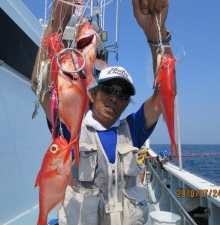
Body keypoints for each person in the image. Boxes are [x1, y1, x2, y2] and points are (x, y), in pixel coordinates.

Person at [31, 0, 174, 224]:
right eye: (108, 89)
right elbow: (39, 88)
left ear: (127, 104)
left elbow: (165, 96)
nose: (114, 97)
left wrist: (157, 36)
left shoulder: (133, 130)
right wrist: (55, 22)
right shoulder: (70, 130)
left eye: (123, 94)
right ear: (91, 94)